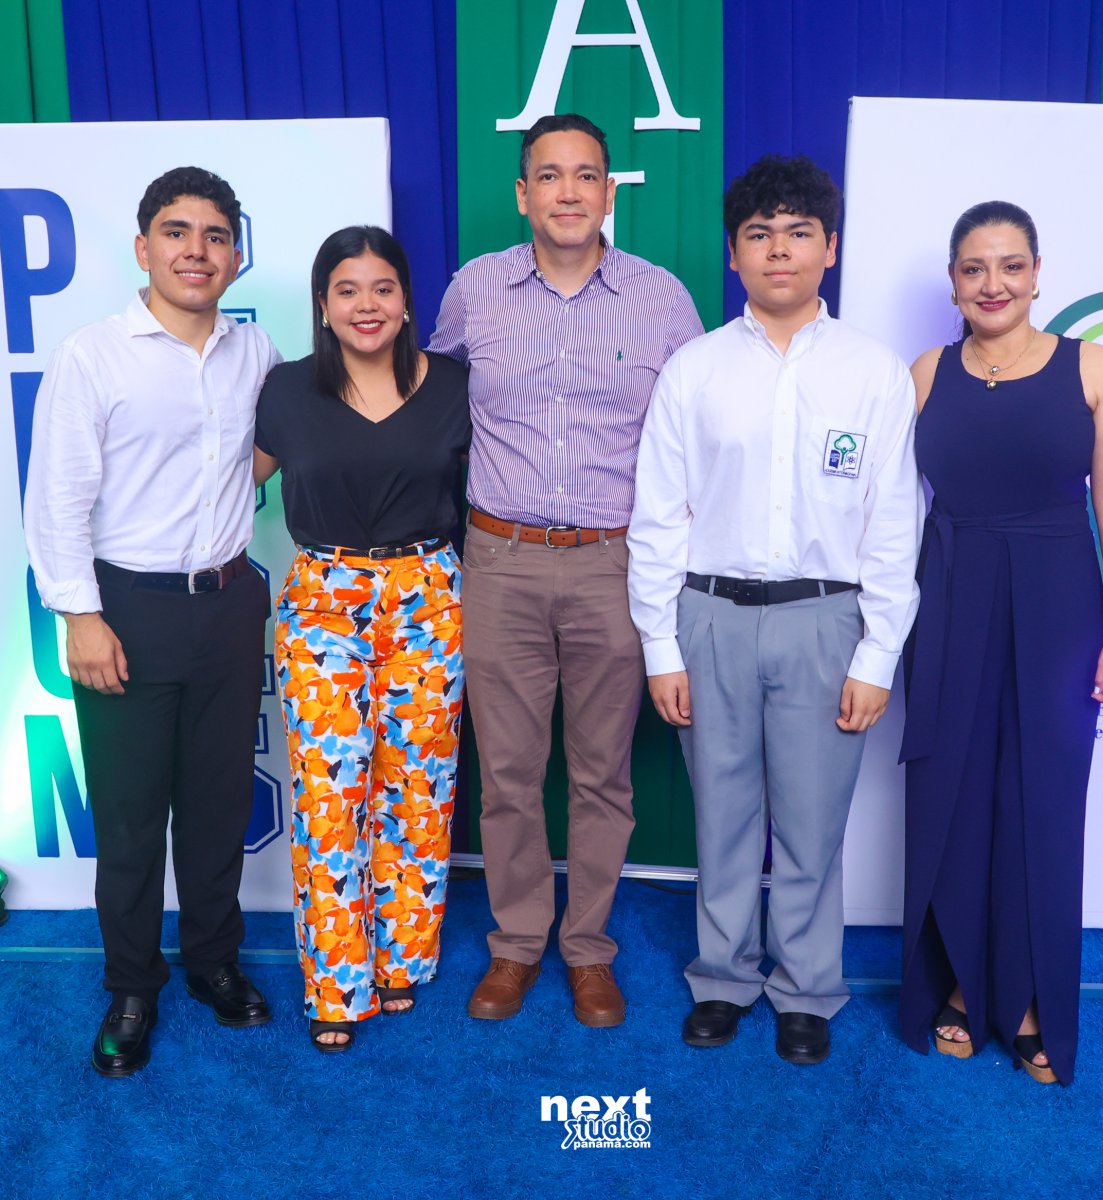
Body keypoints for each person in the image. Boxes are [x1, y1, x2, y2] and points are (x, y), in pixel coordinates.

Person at [628, 155, 923, 1065]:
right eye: (759, 234)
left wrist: (877, 655)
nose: (779, 250)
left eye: (799, 232)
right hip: (710, 616)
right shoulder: (695, 370)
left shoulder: (874, 373)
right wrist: (660, 645)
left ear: (829, 248)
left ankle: (804, 989)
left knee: (811, 820)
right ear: (734, 253)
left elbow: (892, 523)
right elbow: (660, 515)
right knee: (722, 816)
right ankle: (722, 979)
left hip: (826, 622)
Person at [429, 113, 704, 1028]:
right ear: (523, 194)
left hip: (613, 564)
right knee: (508, 773)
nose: (569, 192)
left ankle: (587, 950)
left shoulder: (661, 298)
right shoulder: (475, 290)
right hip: (499, 560)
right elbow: (428, 405)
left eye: (586, 175)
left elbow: (695, 435)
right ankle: (515, 945)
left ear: (609, 192)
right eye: (549, 175)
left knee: (601, 775)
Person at [22, 166, 282, 1078]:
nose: (196, 251)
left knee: (217, 805)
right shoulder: (94, 355)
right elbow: (58, 496)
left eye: (215, 235)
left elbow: (257, 456)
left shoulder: (256, 352)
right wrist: (80, 616)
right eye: (177, 233)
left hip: (230, 603)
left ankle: (213, 962)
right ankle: (133, 985)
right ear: (143, 248)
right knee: (132, 818)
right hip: (127, 609)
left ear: (236, 255)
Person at [897, 200, 1103, 1085]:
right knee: (952, 792)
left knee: (1042, 800)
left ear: (1037, 274)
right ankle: (964, 983)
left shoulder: (1094, 366)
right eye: (974, 268)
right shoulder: (927, 372)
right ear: (954, 282)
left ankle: (1033, 998)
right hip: (949, 593)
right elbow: (888, 507)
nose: (992, 284)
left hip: (1057, 599)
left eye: (1010, 266)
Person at [253, 226, 471, 1054]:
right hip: (324, 599)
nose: (366, 305)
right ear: (323, 305)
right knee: (329, 794)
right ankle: (337, 985)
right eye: (347, 290)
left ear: (407, 300)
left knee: (419, 787)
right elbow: (222, 481)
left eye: (383, 287)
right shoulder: (284, 391)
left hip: (429, 597)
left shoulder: (453, 385)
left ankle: (402, 961)